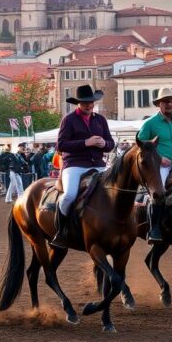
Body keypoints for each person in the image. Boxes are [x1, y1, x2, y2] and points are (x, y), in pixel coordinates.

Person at [50, 85, 114, 249]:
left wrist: (103, 143)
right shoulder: (69, 119)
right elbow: (61, 145)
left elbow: (110, 144)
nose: (89, 105)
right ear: (78, 103)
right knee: (69, 195)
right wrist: (86, 143)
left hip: (98, 165)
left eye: (91, 102)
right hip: (74, 164)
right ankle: (61, 231)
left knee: (115, 192)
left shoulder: (100, 119)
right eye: (85, 102)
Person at [136, 87, 172, 242]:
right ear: (159, 104)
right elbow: (141, 146)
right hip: (161, 166)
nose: (169, 104)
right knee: (158, 193)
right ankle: (154, 228)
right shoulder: (150, 124)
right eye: (165, 101)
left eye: (171, 101)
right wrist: (159, 158)